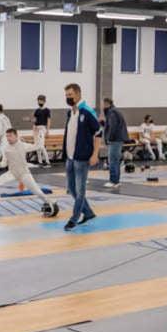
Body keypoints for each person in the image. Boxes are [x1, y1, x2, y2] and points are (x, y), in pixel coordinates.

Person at [0, 128, 58, 215]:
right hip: (12, 173)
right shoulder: (5, 148)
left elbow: (37, 146)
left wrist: (38, 135)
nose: (8, 138)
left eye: (10, 136)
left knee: (37, 191)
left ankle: (50, 202)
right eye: (7, 136)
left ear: (16, 136)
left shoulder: (23, 145)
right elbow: (4, 164)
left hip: (24, 173)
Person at [61, 82, 102, 231]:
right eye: (66, 95)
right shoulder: (70, 112)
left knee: (80, 190)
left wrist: (95, 154)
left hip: (82, 158)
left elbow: (98, 133)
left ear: (78, 94)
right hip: (70, 157)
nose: (68, 97)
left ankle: (74, 218)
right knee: (71, 189)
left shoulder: (87, 111)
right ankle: (89, 213)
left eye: (70, 95)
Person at [101, 97, 128, 190]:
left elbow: (113, 126)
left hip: (115, 140)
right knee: (115, 160)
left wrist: (109, 138)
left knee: (112, 160)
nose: (102, 106)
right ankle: (116, 180)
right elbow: (111, 125)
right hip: (117, 139)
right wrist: (103, 123)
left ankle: (113, 181)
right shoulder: (113, 111)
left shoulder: (112, 112)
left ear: (107, 104)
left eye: (103, 104)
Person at [33, 95, 52, 167]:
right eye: (38, 101)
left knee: (41, 146)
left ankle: (47, 162)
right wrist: (34, 128)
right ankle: (40, 162)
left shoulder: (47, 110)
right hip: (36, 129)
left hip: (42, 129)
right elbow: (35, 120)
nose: (39, 102)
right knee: (37, 146)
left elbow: (49, 121)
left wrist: (47, 131)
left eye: (41, 101)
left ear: (44, 101)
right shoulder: (37, 111)